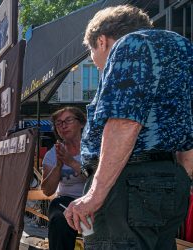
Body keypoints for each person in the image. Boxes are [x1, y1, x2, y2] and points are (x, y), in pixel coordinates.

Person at [64, 5, 193, 249]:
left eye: (92, 54)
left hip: (126, 185)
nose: (99, 66)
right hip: (171, 181)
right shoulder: (184, 49)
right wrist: (181, 176)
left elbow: (124, 122)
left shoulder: (129, 45)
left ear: (101, 41)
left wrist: (95, 194)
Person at [40, 107, 86, 250]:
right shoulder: (52, 154)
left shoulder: (93, 148)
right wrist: (59, 165)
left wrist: (71, 161)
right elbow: (47, 191)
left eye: (68, 120)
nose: (63, 126)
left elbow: (98, 178)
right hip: (66, 200)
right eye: (59, 123)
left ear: (82, 123)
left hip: (96, 198)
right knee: (59, 218)